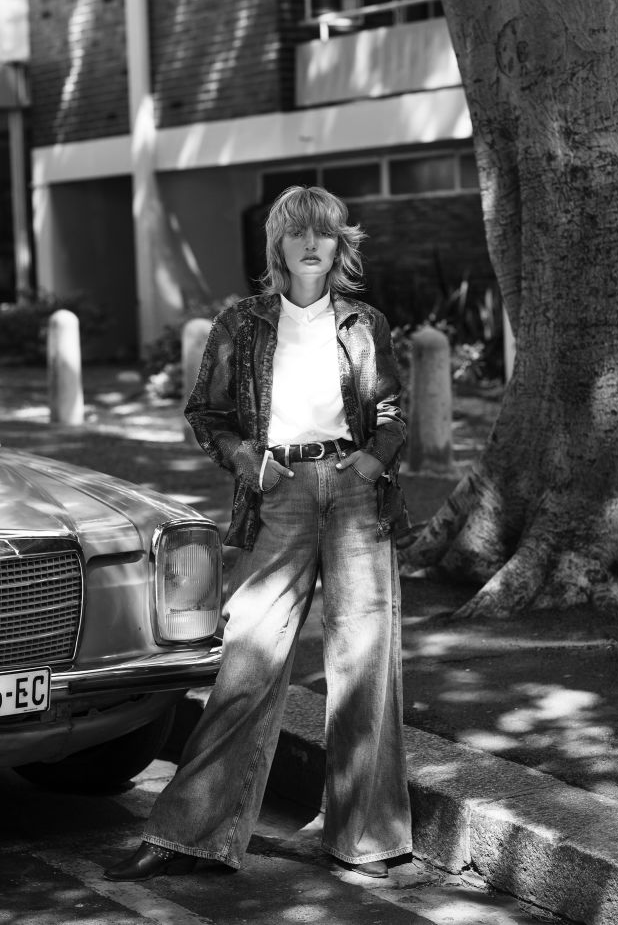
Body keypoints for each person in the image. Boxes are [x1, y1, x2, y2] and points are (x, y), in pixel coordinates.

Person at [104, 185, 412, 882]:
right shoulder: (241, 323)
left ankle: (367, 840)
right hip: (280, 494)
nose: (310, 243)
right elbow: (206, 413)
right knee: (248, 658)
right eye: (297, 232)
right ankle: (188, 835)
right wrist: (250, 462)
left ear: (339, 245)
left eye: (323, 232)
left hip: (356, 494)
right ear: (278, 245)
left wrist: (374, 458)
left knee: (364, 665)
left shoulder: (365, 322)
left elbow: (391, 408)